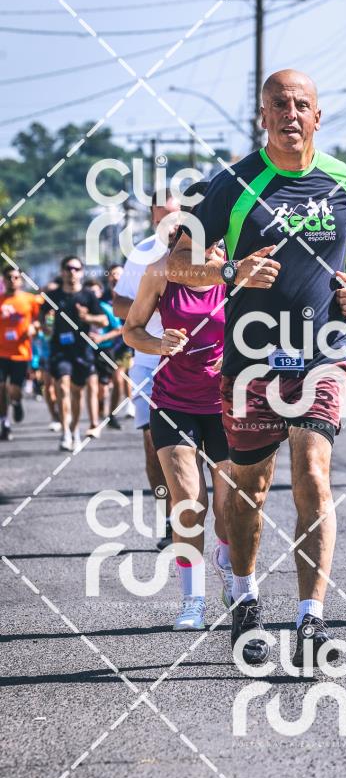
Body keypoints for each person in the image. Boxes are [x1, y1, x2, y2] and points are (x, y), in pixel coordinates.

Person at [167, 68, 346, 667]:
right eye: (279, 105)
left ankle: (311, 618)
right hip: (250, 361)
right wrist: (230, 272)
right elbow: (177, 263)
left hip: (321, 353)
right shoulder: (233, 184)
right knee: (250, 487)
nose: (291, 114)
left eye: (301, 104)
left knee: (314, 474)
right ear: (262, 116)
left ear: (318, 115)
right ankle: (243, 596)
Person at [124, 236, 230, 630]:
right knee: (188, 502)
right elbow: (132, 330)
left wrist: (237, 356)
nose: (208, 247)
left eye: (215, 239)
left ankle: (227, 560)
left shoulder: (235, 274)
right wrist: (158, 343)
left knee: (229, 509)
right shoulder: (160, 273)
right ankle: (193, 601)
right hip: (172, 401)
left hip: (226, 404)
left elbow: (265, 332)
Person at [113, 191, 183, 549]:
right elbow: (118, 304)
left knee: (199, 446)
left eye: (174, 216)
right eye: (161, 217)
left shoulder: (207, 252)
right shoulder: (142, 253)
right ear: (153, 217)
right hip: (148, 362)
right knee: (154, 443)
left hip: (196, 364)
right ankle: (170, 519)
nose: (168, 224)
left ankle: (198, 515)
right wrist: (151, 304)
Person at [41, 256, 108, 452]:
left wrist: (87, 317)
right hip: (59, 350)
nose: (72, 272)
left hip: (82, 350)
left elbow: (103, 320)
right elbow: (43, 322)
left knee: (77, 393)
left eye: (76, 269)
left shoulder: (88, 296)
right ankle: (65, 433)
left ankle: (75, 430)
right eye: (68, 268)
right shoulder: (52, 296)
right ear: (62, 271)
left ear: (81, 272)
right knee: (62, 386)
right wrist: (47, 324)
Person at [0, 266, 43, 440]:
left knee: (14, 389)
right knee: (1, 388)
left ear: (21, 280)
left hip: (21, 353)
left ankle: (16, 402)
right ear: (4, 280)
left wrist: (35, 327)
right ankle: (4, 423)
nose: (12, 280)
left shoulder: (30, 300)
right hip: (1, 352)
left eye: (16, 277)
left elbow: (42, 320)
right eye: (9, 277)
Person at [84, 278, 125, 430]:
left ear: (100, 292)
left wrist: (101, 338)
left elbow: (118, 329)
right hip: (86, 351)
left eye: (95, 291)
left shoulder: (105, 308)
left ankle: (110, 414)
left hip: (106, 350)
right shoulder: (80, 309)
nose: (92, 294)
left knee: (108, 385)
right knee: (92, 385)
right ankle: (94, 421)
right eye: (88, 291)